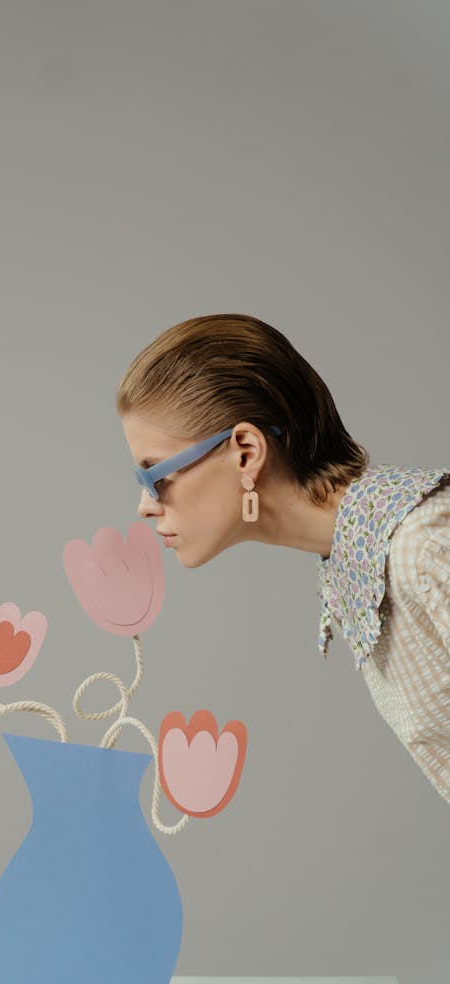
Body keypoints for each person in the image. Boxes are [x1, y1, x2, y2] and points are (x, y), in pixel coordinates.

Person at [117, 313, 450, 805]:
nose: (145, 505)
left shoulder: (424, 547)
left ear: (246, 452)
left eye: (155, 475)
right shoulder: (358, 561)